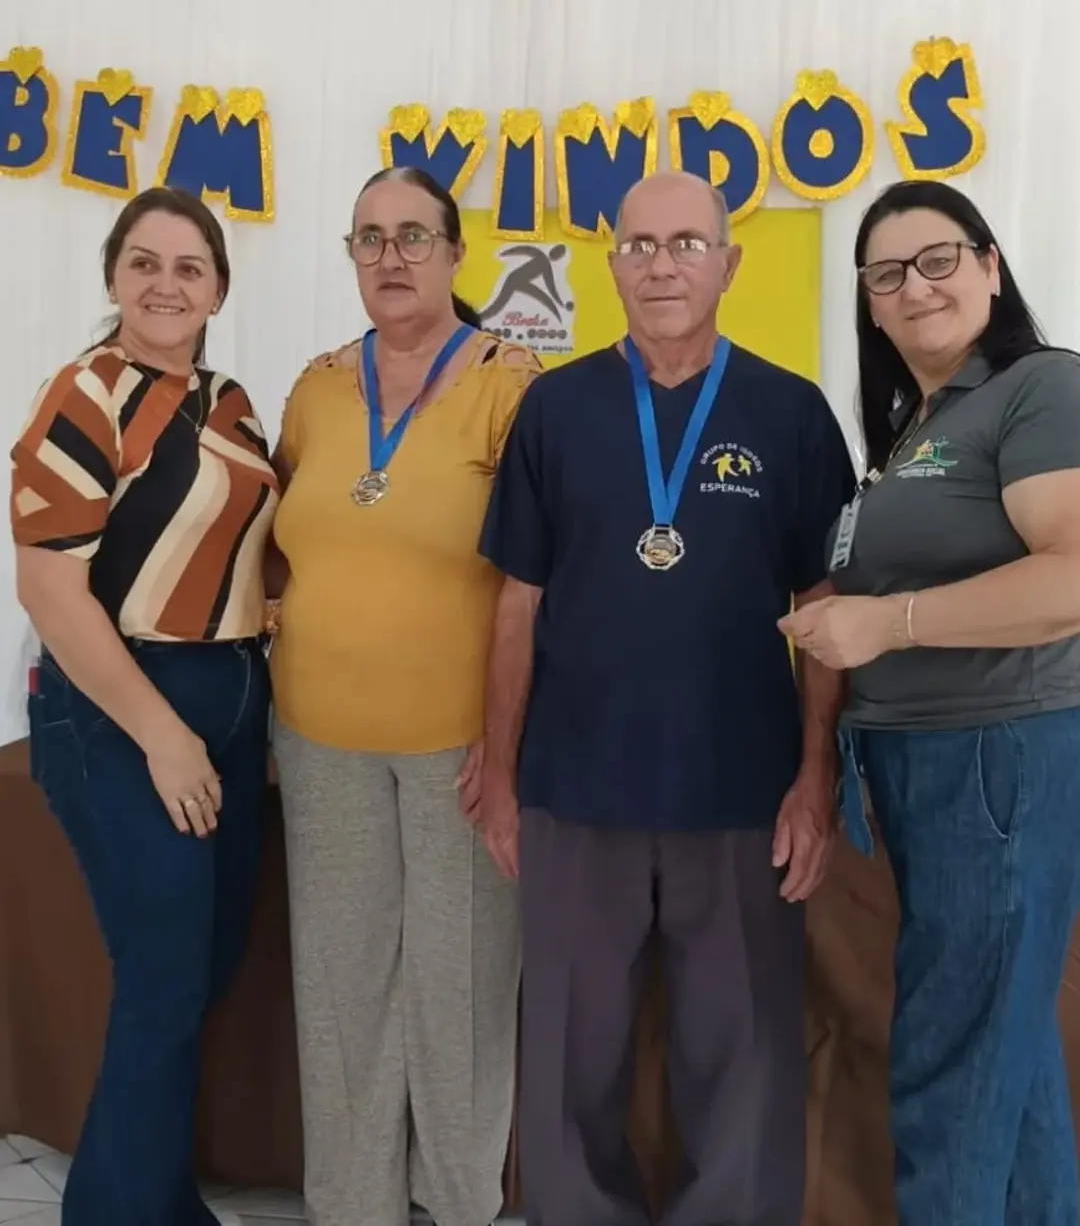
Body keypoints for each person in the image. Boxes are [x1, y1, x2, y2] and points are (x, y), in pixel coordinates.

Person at [478, 170, 855, 1226]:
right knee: (565, 1063)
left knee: (743, 1062)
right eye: (640, 245)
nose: (662, 264)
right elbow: (517, 601)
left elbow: (824, 603)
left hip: (740, 793)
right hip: (573, 790)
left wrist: (814, 777)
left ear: (729, 263)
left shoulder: (790, 410)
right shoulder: (555, 406)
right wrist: (499, 771)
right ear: (611, 266)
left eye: (687, 243)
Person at [781, 180, 1080, 1226]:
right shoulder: (913, 427)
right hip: (921, 771)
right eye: (887, 272)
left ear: (992, 267)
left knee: (951, 1067)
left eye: (940, 258)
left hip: (997, 761)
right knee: (1008, 1053)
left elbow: (1071, 581)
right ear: (867, 302)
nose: (916, 286)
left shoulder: (1040, 389)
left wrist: (886, 626)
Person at [269, 166, 538, 1226]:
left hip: (459, 752)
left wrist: (513, 741)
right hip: (320, 740)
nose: (391, 256)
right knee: (341, 995)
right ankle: (352, 1205)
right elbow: (280, 537)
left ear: (456, 253)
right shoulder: (317, 387)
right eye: (370, 237)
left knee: (458, 993)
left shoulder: (510, 383)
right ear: (349, 255)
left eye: (413, 236)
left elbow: (542, 581)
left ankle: (460, 1206)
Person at [11, 186, 279, 1226]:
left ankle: (160, 1199)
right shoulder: (85, 393)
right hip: (118, 706)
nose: (167, 284)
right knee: (165, 979)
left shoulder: (232, 402)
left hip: (232, 698)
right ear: (113, 276)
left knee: (199, 971)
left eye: (190, 267)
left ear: (219, 286)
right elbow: (49, 589)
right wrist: (164, 735)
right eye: (146, 263)